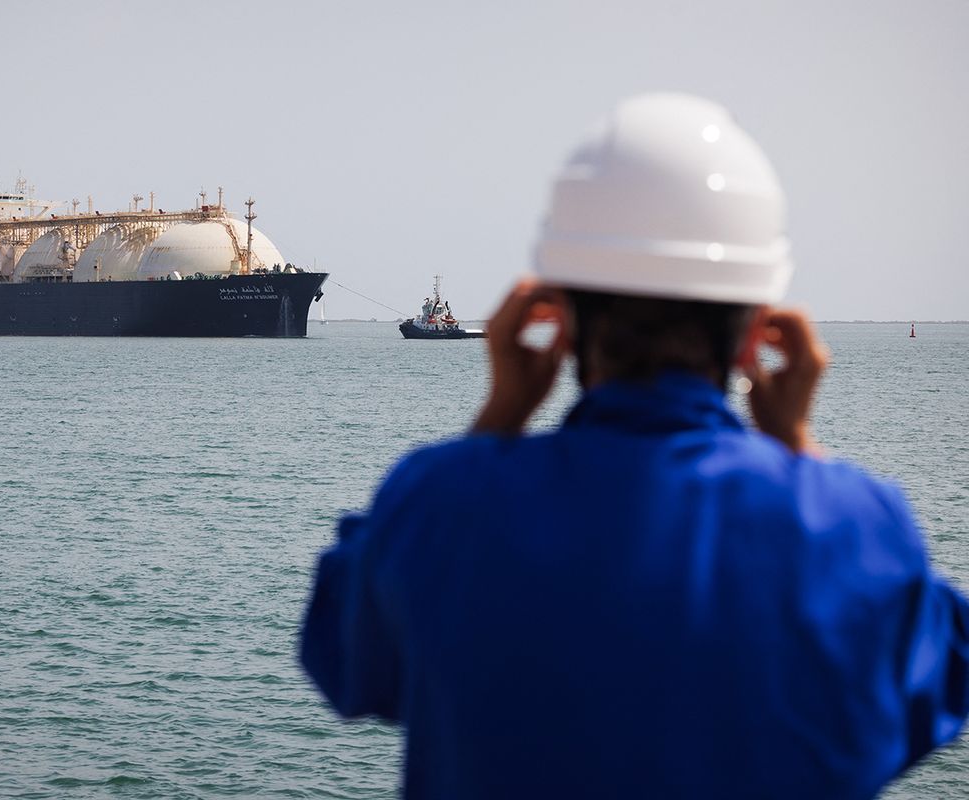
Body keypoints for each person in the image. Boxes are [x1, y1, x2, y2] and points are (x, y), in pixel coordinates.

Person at [299, 94, 969, 798]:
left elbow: (341, 652)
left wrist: (496, 420)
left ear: (554, 317)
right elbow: (938, 681)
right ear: (756, 333)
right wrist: (800, 450)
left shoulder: (441, 505)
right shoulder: (850, 525)